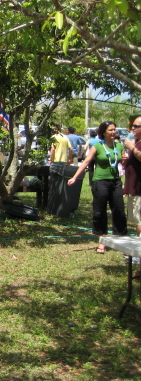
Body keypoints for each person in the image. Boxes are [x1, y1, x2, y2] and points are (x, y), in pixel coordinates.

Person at [68, 121, 127, 254]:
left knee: (119, 210)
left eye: (114, 130)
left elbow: (123, 162)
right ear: (104, 132)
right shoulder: (97, 146)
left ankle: (123, 241)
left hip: (116, 181)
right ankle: (102, 242)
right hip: (100, 182)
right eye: (111, 130)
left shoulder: (119, 145)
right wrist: (75, 177)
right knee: (99, 212)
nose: (114, 132)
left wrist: (125, 160)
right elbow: (87, 161)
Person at [124, 117, 141, 278]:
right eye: (132, 125)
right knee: (138, 222)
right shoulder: (135, 142)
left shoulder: (135, 145)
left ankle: (138, 258)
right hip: (134, 189)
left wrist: (132, 148)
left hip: (140, 191)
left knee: (140, 223)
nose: (132, 128)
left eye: (136, 126)